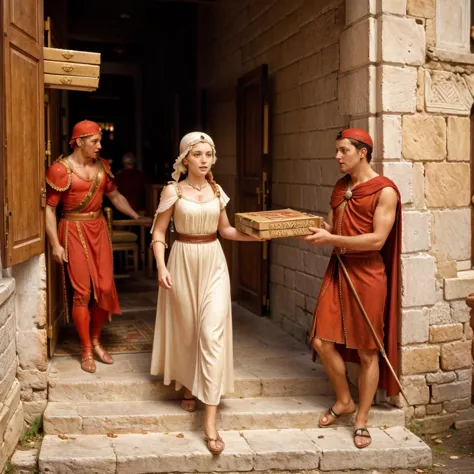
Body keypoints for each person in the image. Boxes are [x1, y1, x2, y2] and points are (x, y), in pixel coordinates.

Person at [150, 132, 261, 455]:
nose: (203, 159)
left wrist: (260, 236)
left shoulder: (217, 190)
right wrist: (161, 266)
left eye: (208, 154)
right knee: (187, 331)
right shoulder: (172, 191)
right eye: (197, 154)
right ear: (185, 158)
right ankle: (187, 384)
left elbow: (225, 230)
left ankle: (210, 421)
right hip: (182, 260)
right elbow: (158, 233)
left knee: (211, 333)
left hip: (213, 262)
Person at [305, 128, 401, 449]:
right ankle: (344, 399)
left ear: (362, 152)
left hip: (368, 273)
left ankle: (361, 419)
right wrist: (304, 225)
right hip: (339, 270)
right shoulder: (340, 186)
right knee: (320, 340)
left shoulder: (385, 191)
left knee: (367, 350)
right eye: (337, 150)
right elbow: (332, 227)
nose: (337, 156)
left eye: (343, 150)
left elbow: (377, 240)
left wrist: (332, 239)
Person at [45, 120, 140, 373]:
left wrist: (136, 217)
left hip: (98, 229)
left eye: (99, 140)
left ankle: (96, 340)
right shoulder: (59, 169)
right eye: (95, 141)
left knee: (105, 288)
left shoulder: (103, 167)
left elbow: (115, 196)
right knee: (82, 293)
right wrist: (55, 245)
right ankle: (86, 348)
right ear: (79, 142)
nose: (100, 145)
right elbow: (50, 209)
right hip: (73, 230)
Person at [114, 152, 147, 216]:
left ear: (124, 163)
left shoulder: (119, 176)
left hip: (122, 209)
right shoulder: (140, 175)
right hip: (137, 208)